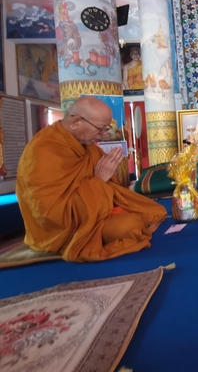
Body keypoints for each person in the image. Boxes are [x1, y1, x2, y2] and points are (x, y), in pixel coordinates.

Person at [16, 96, 166, 262]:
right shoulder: (42, 152)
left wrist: (104, 182)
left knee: (147, 211)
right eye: (100, 129)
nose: (103, 135)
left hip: (93, 211)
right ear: (76, 122)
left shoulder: (84, 145)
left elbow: (112, 189)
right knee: (130, 226)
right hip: (63, 230)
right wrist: (99, 180)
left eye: (107, 129)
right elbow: (49, 215)